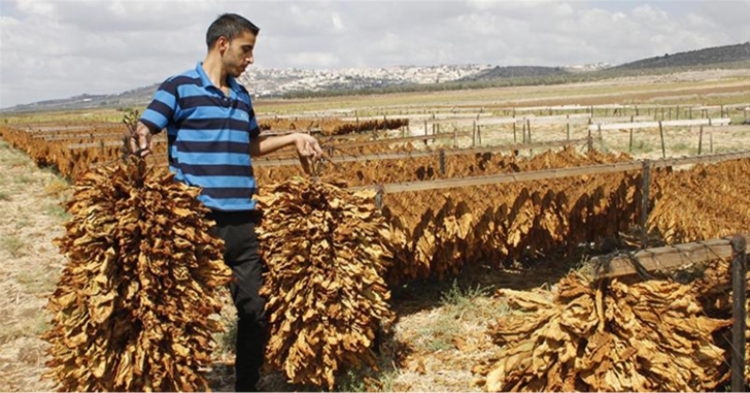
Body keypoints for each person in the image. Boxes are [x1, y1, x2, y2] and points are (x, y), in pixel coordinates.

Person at [129, 13, 323, 393]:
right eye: (246, 49)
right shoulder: (179, 87)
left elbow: (251, 145)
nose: (250, 59)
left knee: (255, 311)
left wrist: (293, 137)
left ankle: (245, 386)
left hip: (242, 221)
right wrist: (140, 137)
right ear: (223, 44)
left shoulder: (241, 96)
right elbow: (146, 125)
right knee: (182, 317)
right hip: (196, 223)